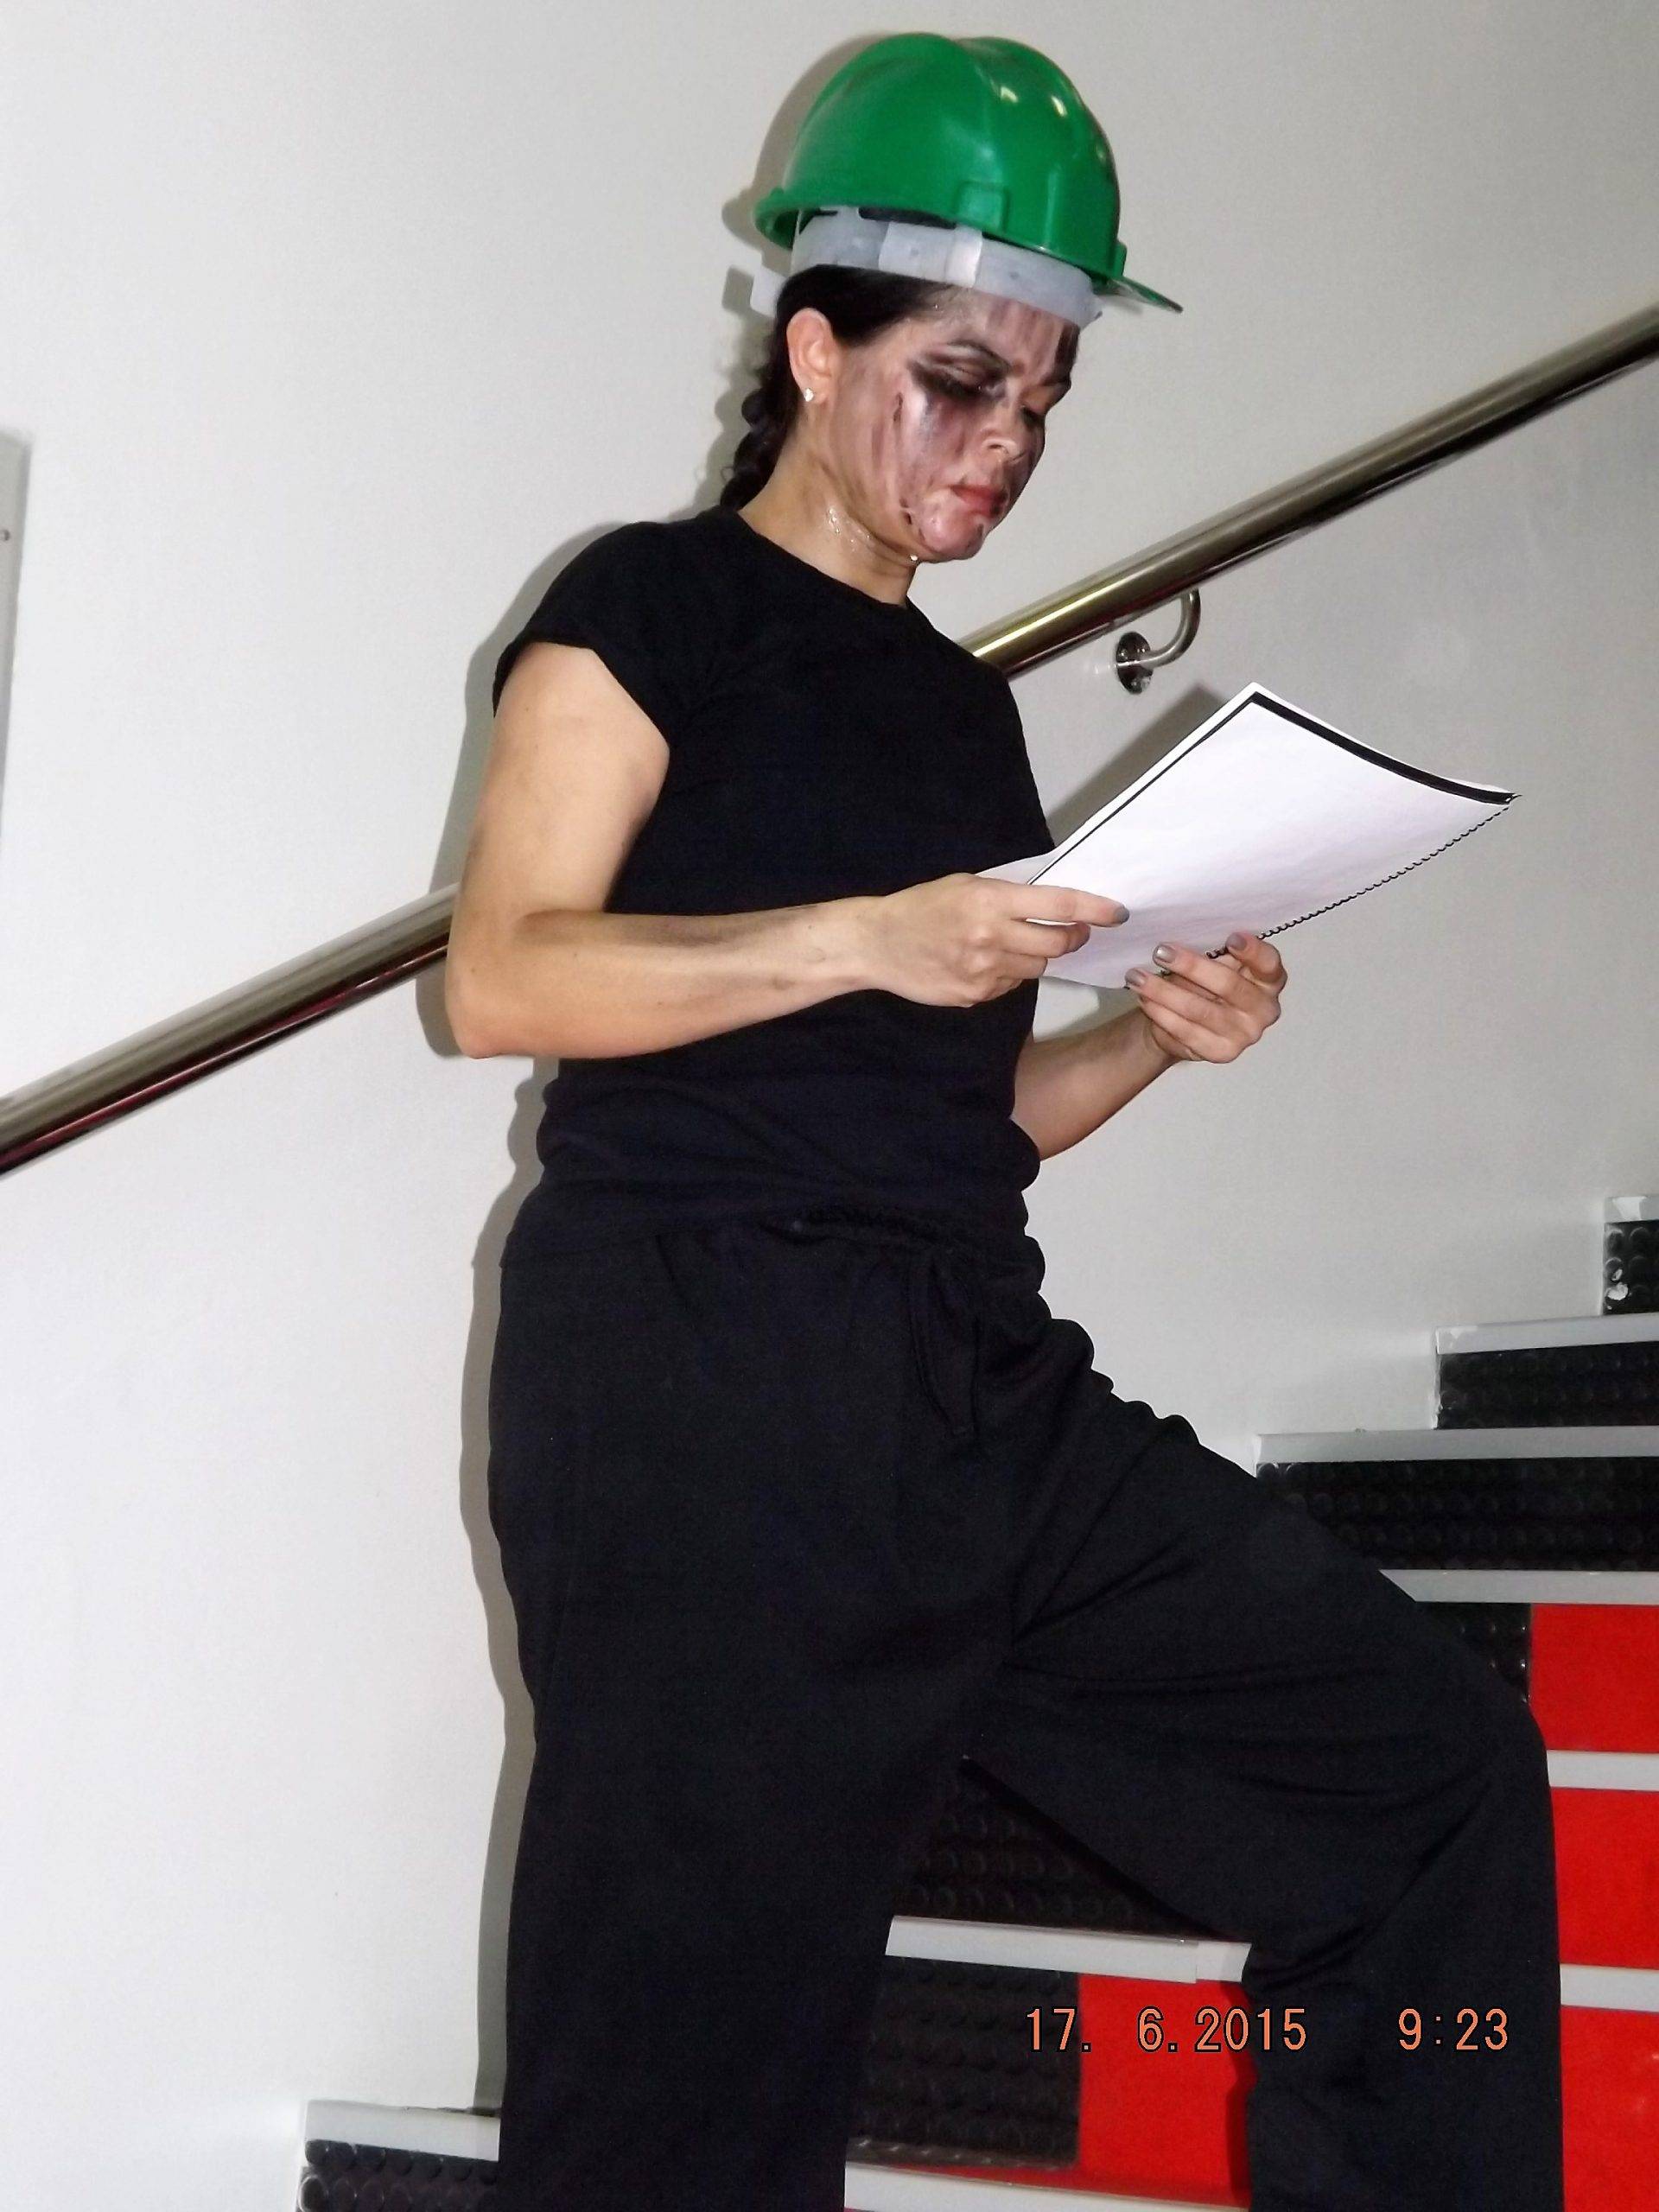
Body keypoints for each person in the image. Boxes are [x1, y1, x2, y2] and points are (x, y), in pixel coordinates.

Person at [446, 33, 1565, 2212]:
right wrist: (867, 935)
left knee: (1427, 1772)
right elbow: (505, 971)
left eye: (1043, 399)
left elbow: (953, 1122)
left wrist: (1147, 1033)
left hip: (968, 1381)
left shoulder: (962, 711)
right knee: (686, 2103)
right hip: (698, 1391)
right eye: (959, 381)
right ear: (814, 344)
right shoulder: (644, 610)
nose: (1005, 444)